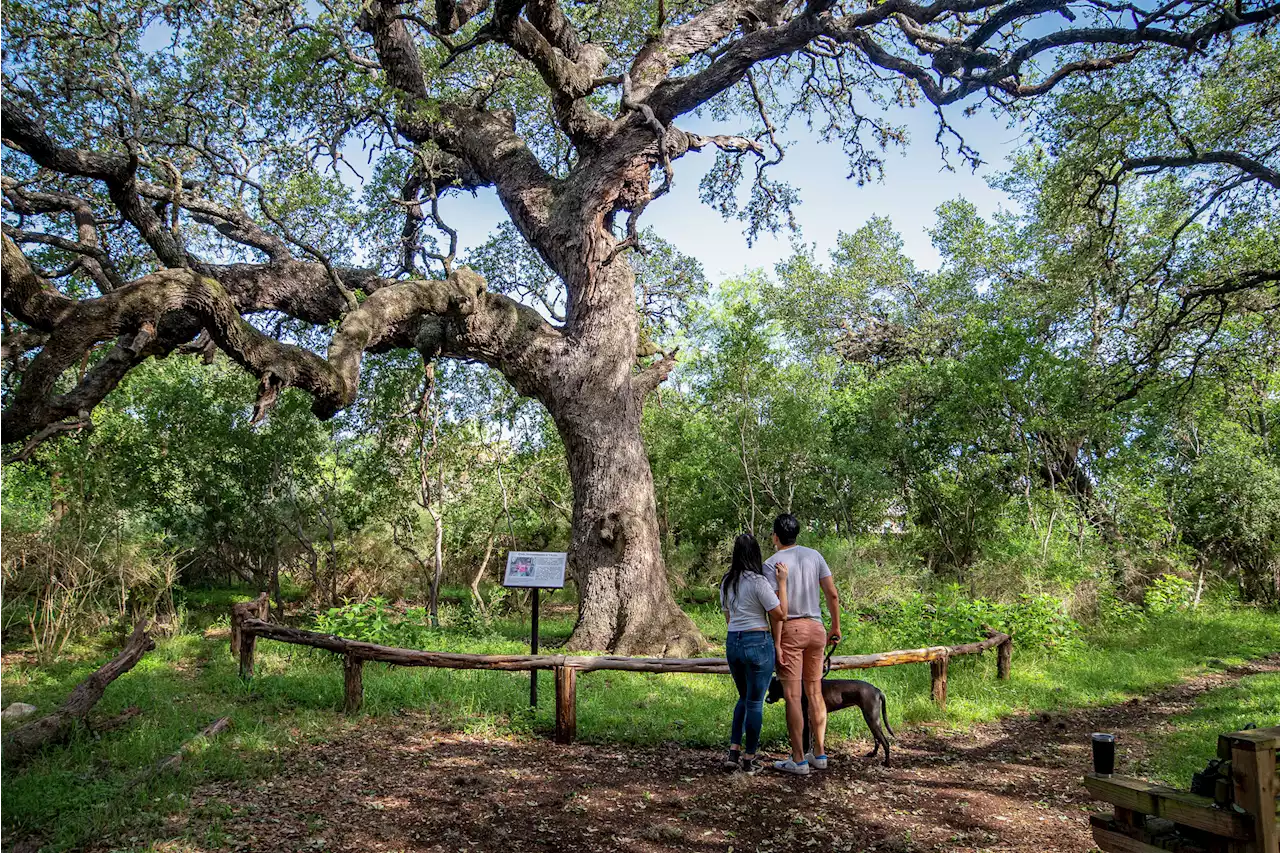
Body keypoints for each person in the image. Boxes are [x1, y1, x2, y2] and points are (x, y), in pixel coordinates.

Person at [763, 513, 841, 776]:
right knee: (815, 692)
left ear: (775, 536)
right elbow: (832, 593)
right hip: (817, 629)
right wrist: (836, 626)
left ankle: (798, 759)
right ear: (797, 534)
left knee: (793, 697)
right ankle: (819, 753)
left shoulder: (772, 564)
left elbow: (776, 610)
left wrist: (776, 643)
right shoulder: (814, 556)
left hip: (791, 630)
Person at [720, 532, 788, 775]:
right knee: (755, 702)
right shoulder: (759, 582)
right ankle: (749, 757)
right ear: (755, 555)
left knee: (743, 697)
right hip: (757, 640)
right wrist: (782, 583)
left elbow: (728, 618)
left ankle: (733, 751)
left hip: (733, 642)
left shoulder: (727, 581)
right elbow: (780, 614)